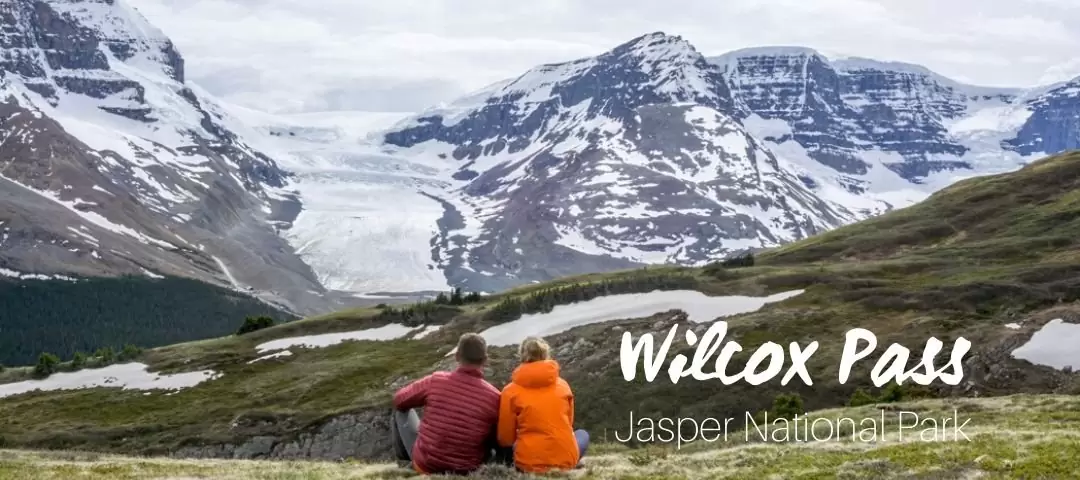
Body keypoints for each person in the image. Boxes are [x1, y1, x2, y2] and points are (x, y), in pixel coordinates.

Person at [392, 333, 501, 475]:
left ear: (457, 356)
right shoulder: (495, 397)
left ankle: (407, 467)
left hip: (426, 466)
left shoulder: (437, 380)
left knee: (401, 410)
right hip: (465, 472)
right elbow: (495, 439)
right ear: (485, 360)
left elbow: (399, 399)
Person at [497, 337, 590, 473]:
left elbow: (505, 439)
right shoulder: (563, 385)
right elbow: (568, 424)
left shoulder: (510, 391)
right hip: (565, 460)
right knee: (582, 434)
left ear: (522, 356)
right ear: (546, 355)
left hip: (528, 464)